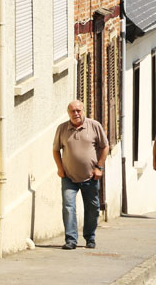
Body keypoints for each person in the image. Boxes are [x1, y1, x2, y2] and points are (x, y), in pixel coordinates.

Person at [52, 99, 107, 250]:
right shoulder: (62, 129)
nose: (76, 113)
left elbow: (105, 146)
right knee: (69, 207)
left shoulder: (94, 126)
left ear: (83, 111)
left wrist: (99, 167)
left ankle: (90, 237)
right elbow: (56, 150)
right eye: (72, 111)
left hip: (91, 176)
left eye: (78, 110)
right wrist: (60, 168)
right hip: (69, 177)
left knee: (93, 208)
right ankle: (71, 239)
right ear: (68, 113)